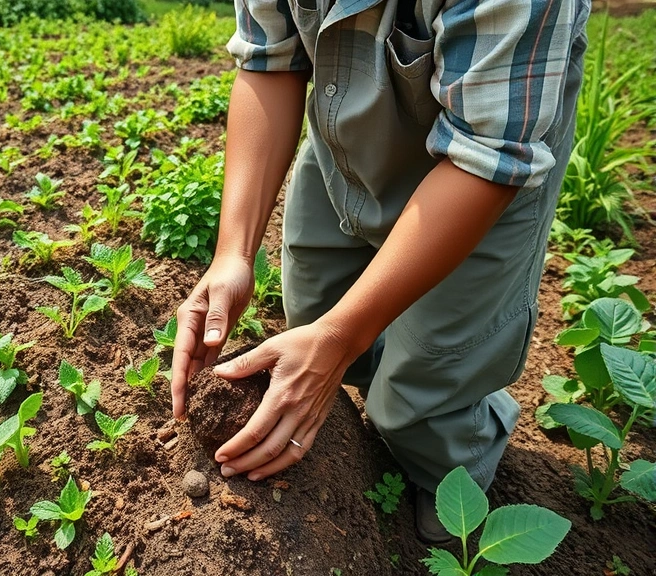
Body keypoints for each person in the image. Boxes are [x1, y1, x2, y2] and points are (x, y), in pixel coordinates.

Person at [169, 0, 591, 543]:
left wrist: (340, 337)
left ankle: (450, 461)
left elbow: (489, 151)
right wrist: (233, 254)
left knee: (422, 391)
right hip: (346, 134)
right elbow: (267, 61)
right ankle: (375, 409)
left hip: (487, 163)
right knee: (315, 304)